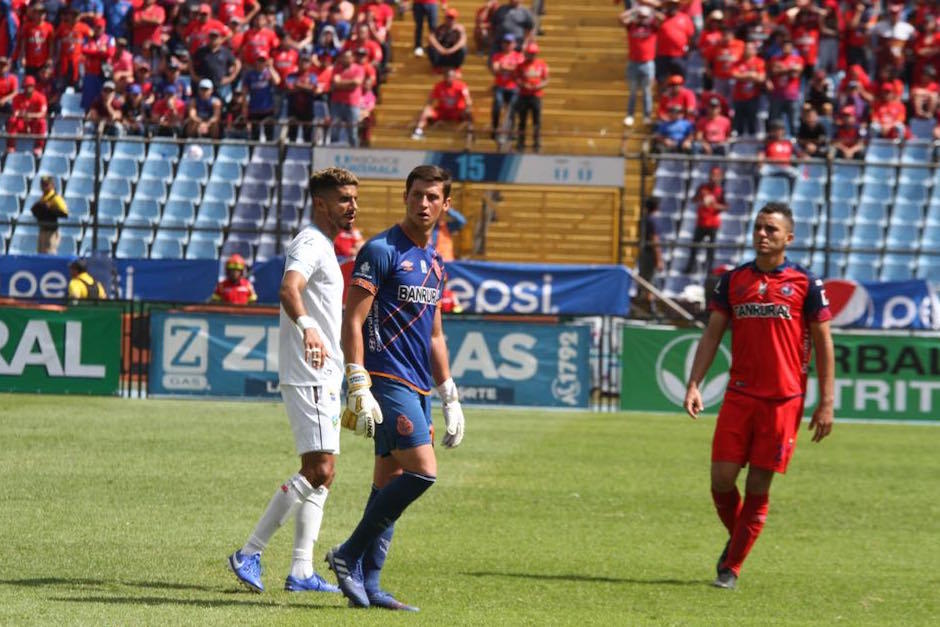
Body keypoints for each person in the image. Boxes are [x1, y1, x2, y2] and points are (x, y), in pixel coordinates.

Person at [324, 164, 465, 611]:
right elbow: (352, 319)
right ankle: (347, 554)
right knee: (423, 471)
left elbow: (436, 335)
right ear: (405, 196)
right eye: (416, 194)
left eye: (432, 197)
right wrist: (357, 380)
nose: (423, 203)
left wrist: (449, 395)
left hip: (419, 385)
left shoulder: (436, 262)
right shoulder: (381, 250)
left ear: (446, 204)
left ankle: (370, 583)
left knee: (392, 480)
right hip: (386, 379)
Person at [683, 202, 835, 590]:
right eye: (758, 228)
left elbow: (823, 343)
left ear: (789, 237)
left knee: (757, 488)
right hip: (739, 395)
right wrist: (694, 383)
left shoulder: (806, 283)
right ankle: (740, 539)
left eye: (771, 229)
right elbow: (712, 335)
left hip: (784, 400)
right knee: (721, 480)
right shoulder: (732, 281)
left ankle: (731, 567)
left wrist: (826, 402)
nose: (762, 234)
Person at [227, 168, 360, 595]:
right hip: (309, 373)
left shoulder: (326, 246)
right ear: (320, 203)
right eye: (343, 199)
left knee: (326, 474)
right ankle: (249, 552)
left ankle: (301, 571)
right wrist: (308, 328)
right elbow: (289, 289)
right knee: (318, 469)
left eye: (354, 198)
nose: (352, 206)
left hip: (325, 372)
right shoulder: (310, 242)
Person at [411, 67, 473, 140]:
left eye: (451, 76)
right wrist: (427, 108)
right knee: (426, 111)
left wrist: (467, 107)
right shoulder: (439, 86)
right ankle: (418, 131)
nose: (449, 78)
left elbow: (468, 99)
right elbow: (431, 99)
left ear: (454, 77)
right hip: (442, 111)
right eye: (447, 76)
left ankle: (469, 133)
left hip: (456, 111)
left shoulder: (461, 86)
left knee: (468, 112)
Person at [684, 166, 726, 275]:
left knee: (710, 249)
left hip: (713, 224)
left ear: (720, 177)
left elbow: (725, 207)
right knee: (694, 246)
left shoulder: (720, 191)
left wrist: (714, 205)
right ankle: (690, 268)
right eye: (712, 175)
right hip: (701, 222)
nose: (714, 178)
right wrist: (701, 199)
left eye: (716, 175)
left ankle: (709, 270)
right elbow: (694, 200)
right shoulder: (702, 188)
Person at [621, 5, 658, 127]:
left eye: (644, 17)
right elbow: (621, 18)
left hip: (648, 63)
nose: (642, 19)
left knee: (647, 91)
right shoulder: (631, 26)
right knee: (633, 91)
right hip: (633, 62)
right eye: (641, 17)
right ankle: (630, 115)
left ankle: (647, 116)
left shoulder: (652, 27)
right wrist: (634, 10)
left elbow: (662, 19)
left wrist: (652, 11)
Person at [513, 41, 547, 152]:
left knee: (537, 121)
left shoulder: (542, 64)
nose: (531, 55)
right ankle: (520, 142)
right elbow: (516, 78)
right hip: (523, 95)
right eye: (530, 53)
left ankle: (536, 142)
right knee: (522, 120)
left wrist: (539, 86)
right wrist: (523, 85)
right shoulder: (521, 65)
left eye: (533, 53)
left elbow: (546, 80)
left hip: (536, 95)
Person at [489, 33, 522, 141]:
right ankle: (495, 129)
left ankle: (511, 131)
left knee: (513, 108)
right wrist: (511, 68)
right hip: (500, 86)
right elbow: (495, 69)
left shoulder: (518, 56)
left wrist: (504, 67)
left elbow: (519, 70)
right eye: (505, 42)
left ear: (514, 44)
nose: (507, 45)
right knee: (497, 106)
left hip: (513, 86)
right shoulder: (497, 55)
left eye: (509, 43)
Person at [636, 196, 664, 314]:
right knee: (649, 283)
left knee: (644, 280)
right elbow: (655, 240)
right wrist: (659, 259)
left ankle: (643, 308)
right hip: (650, 254)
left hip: (643, 253)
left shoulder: (643, 219)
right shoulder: (653, 220)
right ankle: (650, 311)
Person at [6, 75, 47, 155]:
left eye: (31, 86)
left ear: (34, 86)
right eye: (27, 86)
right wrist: (22, 115)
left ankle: (38, 147)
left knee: (42, 122)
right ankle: (11, 145)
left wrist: (30, 115)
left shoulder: (40, 97)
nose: (28, 88)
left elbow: (42, 113)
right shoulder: (18, 97)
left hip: (34, 122)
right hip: (22, 121)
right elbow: (15, 112)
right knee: (12, 120)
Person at [30, 176, 68, 254]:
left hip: (51, 232)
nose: (44, 186)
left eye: (47, 184)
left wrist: (50, 208)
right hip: (43, 230)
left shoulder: (56, 198)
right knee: (40, 254)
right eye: (43, 184)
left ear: (52, 185)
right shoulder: (43, 198)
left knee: (49, 253)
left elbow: (64, 214)